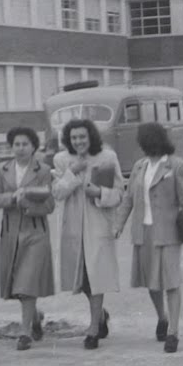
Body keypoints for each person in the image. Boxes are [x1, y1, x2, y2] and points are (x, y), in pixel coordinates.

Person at [114, 122, 183, 354]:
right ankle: (162, 318)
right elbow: (129, 200)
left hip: (168, 232)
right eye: (144, 142)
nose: (147, 146)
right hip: (143, 231)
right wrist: (117, 225)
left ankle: (174, 333)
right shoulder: (139, 166)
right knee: (152, 282)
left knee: (171, 281)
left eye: (150, 141)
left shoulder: (176, 165)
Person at [52, 119, 125, 349]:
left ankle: (93, 329)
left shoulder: (107, 157)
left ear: (91, 136)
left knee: (96, 278)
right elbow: (57, 193)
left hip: (97, 225)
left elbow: (119, 193)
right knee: (81, 279)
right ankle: (101, 315)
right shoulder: (62, 160)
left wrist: (100, 192)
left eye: (82, 137)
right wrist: (72, 174)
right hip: (72, 228)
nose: (78, 141)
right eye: (74, 138)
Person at [0, 125, 55, 351]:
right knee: (16, 285)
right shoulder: (2, 169)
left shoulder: (43, 170)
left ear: (34, 146)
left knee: (27, 282)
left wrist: (27, 202)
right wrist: (12, 199)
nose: (21, 148)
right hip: (10, 234)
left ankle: (24, 333)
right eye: (17, 144)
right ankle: (35, 317)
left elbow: (49, 204)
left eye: (25, 144)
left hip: (35, 233)